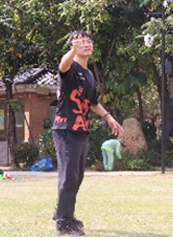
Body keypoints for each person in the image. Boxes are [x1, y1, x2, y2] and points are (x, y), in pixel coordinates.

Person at [52, 30, 124, 236]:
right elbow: (62, 66)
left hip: (81, 130)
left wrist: (109, 117)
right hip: (66, 129)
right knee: (69, 176)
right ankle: (63, 223)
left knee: (77, 176)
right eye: (80, 42)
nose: (86, 44)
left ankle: (64, 213)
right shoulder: (69, 68)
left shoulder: (89, 74)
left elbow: (92, 103)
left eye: (88, 41)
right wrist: (72, 52)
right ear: (72, 47)